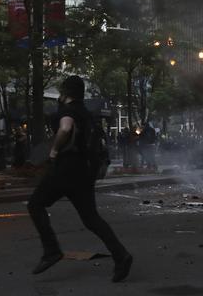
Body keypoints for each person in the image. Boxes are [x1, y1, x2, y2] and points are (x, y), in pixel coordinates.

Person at [27, 75, 132, 282]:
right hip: (85, 172)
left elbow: (65, 128)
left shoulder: (68, 111)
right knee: (91, 219)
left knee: (35, 204)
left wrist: (54, 150)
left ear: (65, 92)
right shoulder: (87, 113)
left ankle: (51, 250)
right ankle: (121, 255)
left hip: (66, 169)